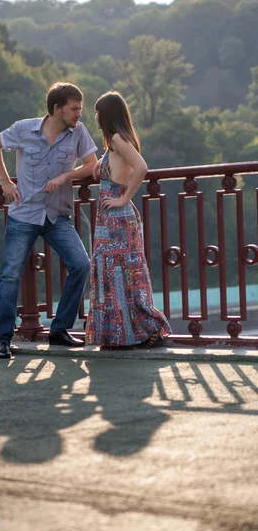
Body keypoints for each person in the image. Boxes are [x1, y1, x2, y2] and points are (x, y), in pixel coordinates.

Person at [0, 82, 98, 358]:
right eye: (74, 109)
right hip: (23, 214)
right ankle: (1, 338)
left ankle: (59, 330)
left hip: (56, 215)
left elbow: (92, 165)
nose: (78, 114)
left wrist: (64, 177)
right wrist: (4, 182)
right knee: (10, 275)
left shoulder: (78, 132)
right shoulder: (24, 129)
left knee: (81, 264)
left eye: (80, 109)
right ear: (57, 109)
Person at [85, 91, 171, 349]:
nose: (95, 116)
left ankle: (140, 331)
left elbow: (141, 167)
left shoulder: (117, 138)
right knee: (113, 273)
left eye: (97, 112)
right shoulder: (112, 144)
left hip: (117, 218)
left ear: (107, 114)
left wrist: (123, 199)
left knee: (121, 274)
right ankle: (121, 335)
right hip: (108, 219)